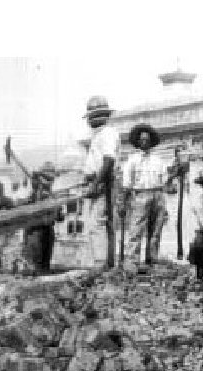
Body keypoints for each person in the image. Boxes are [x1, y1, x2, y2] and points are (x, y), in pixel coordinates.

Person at [121, 123, 177, 267]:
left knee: (156, 230)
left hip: (158, 195)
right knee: (136, 230)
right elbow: (127, 183)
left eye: (147, 139)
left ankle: (152, 259)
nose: (145, 142)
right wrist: (123, 202)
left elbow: (165, 180)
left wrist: (174, 174)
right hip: (140, 195)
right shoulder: (132, 160)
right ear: (138, 142)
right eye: (142, 140)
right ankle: (132, 262)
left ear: (151, 142)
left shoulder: (158, 160)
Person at [83, 96, 120, 268]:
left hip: (103, 181)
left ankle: (101, 263)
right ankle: (103, 262)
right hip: (97, 180)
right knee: (97, 223)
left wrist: (97, 183)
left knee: (97, 223)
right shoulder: (98, 135)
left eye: (93, 116)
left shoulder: (107, 133)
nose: (90, 120)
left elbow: (108, 161)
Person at [23, 162, 59, 273]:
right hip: (35, 231)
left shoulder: (51, 193)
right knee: (35, 267)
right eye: (47, 178)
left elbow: (59, 216)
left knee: (45, 266)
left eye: (51, 179)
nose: (49, 181)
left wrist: (56, 212)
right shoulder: (35, 191)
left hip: (47, 230)